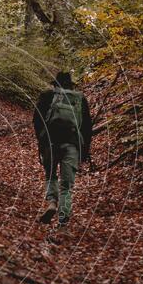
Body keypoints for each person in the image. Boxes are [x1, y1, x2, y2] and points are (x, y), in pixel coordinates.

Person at [32, 71, 92, 227]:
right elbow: (87, 128)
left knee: (50, 175)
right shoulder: (80, 99)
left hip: (50, 144)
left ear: (55, 84)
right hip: (71, 145)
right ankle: (63, 220)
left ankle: (52, 202)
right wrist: (84, 152)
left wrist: (42, 140)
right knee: (67, 186)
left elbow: (37, 120)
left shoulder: (46, 96)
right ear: (71, 84)